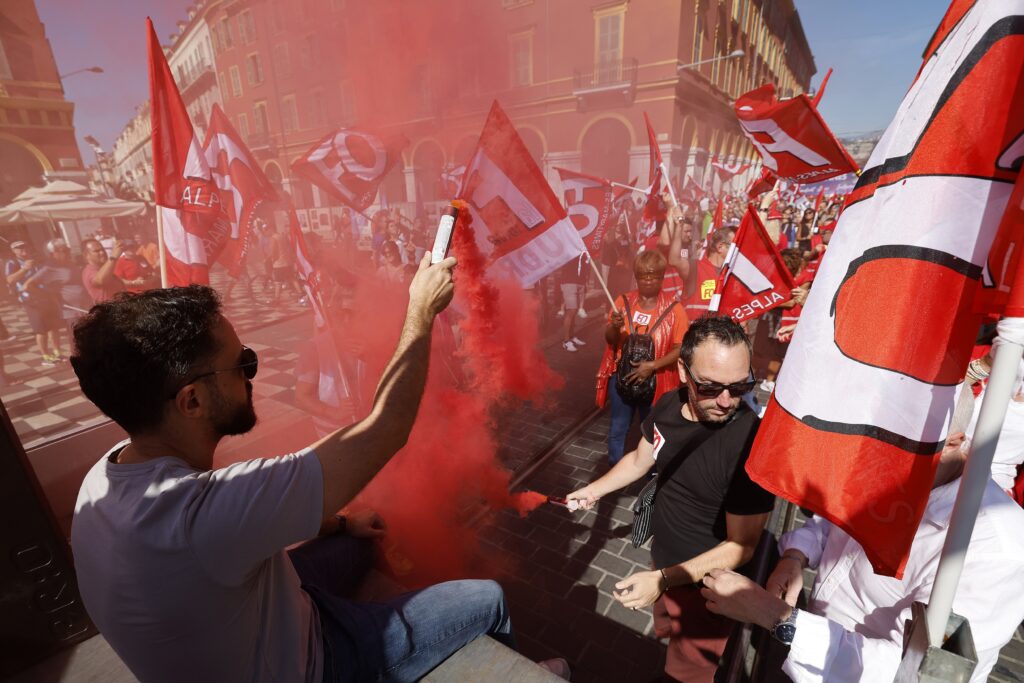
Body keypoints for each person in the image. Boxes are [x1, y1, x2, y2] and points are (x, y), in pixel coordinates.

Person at [68, 257, 570, 682]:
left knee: (361, 539)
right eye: (241, 364)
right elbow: (386, 429)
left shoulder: (104, 476)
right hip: (315, 663)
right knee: (488, 598)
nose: (251, 374)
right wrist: (420, 309)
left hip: (255, 619)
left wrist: (340, 523)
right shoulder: (202, 514)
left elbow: (242, 528)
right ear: (192, 400)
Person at [701, 432, 1024, 683]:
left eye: (887, 436)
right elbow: (835, 519)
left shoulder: (997, 549)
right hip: (810, 656)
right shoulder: (896, 458)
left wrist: (774, 615)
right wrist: (796, 556)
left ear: (952, 440)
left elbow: (907, 671)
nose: (870, 448)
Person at [570, 315, 774, 682]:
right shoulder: (668, 405)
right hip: (662, 561)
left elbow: (742, 545)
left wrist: (664, 579)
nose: (726, 401)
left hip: (705, 587)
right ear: (683, 371)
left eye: (740, 386)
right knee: (666, 632)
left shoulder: (750, 447)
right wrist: (593, 490)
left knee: (688, 673)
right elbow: (639, 460)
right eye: (710, 387)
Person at [595, 250, 689, 466]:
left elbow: (681, 348)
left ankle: (650, 472)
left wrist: (652, 366)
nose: (647, 280)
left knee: (653, 430)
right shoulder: (622, 301)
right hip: (622, 378)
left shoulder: (675, 310)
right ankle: (615, 468)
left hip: (657, 382)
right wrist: (613, 327)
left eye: (653, 275)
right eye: (642, 275)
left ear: (661, 277)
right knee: (618, 428)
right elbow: (610, 340)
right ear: (636, 276)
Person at [5, 240, 65, 365]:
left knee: (53, 327)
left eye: (25, 246)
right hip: (30, 300)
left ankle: (57, 352)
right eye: (19, 248)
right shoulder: (12, 263)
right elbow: (9, 280)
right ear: (13, 251)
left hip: (46, 297)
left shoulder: (37, 259)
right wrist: (24, 269)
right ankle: (45, 356)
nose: (23, 249)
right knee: (40, 329)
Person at [681, 229, 730, 319]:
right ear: (720, 247)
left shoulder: (730, 275)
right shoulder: (695, 268)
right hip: (692, 326)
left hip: (718, 326)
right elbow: (675, 259)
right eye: (735, 246)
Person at [558, 256, 588, 352]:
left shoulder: (584, 250)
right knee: (571, 310)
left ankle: (571, 336)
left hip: (580, 280)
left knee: (574, 311)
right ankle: (566, 341)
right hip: (569, 280)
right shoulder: (569, 249)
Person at [81, 237, 125, 304]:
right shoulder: (89, 271)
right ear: (86, 255)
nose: (102, 253)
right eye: (96, 251)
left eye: (102, 249)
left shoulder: (103, 268)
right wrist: (113, 257)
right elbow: (100, 280)